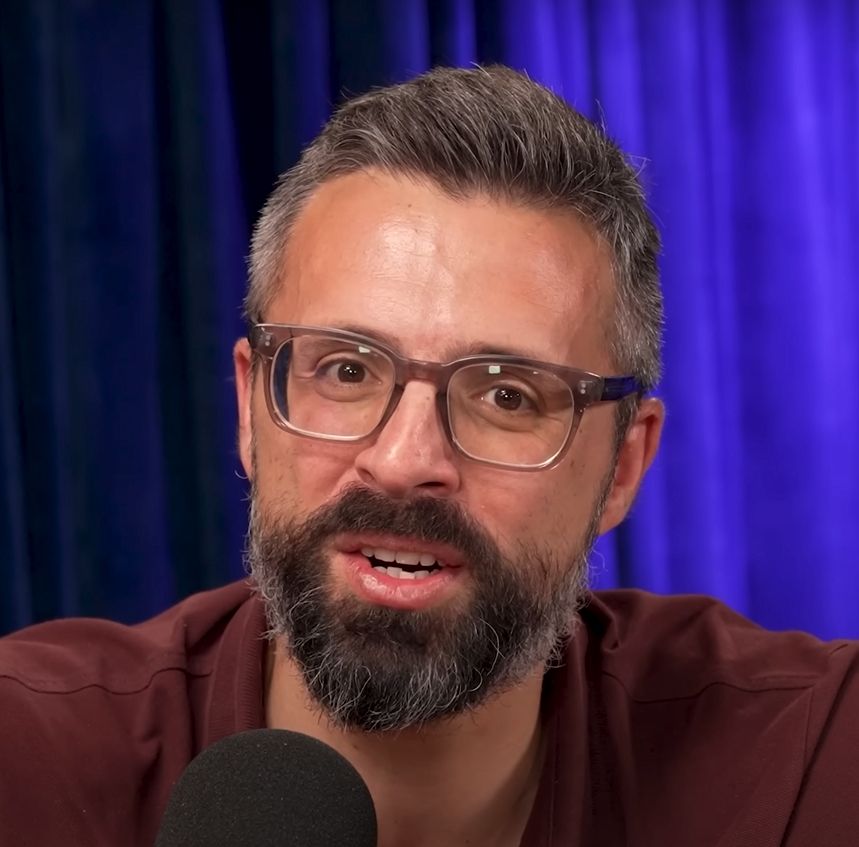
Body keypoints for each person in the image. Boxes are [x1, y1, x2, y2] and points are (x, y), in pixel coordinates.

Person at [1, 65, 856, 847]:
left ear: (622, 466)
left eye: (505, 394)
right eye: (345, 368)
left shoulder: (806, 760)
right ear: (251, 408)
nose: (405, 460)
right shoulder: (29, 759)